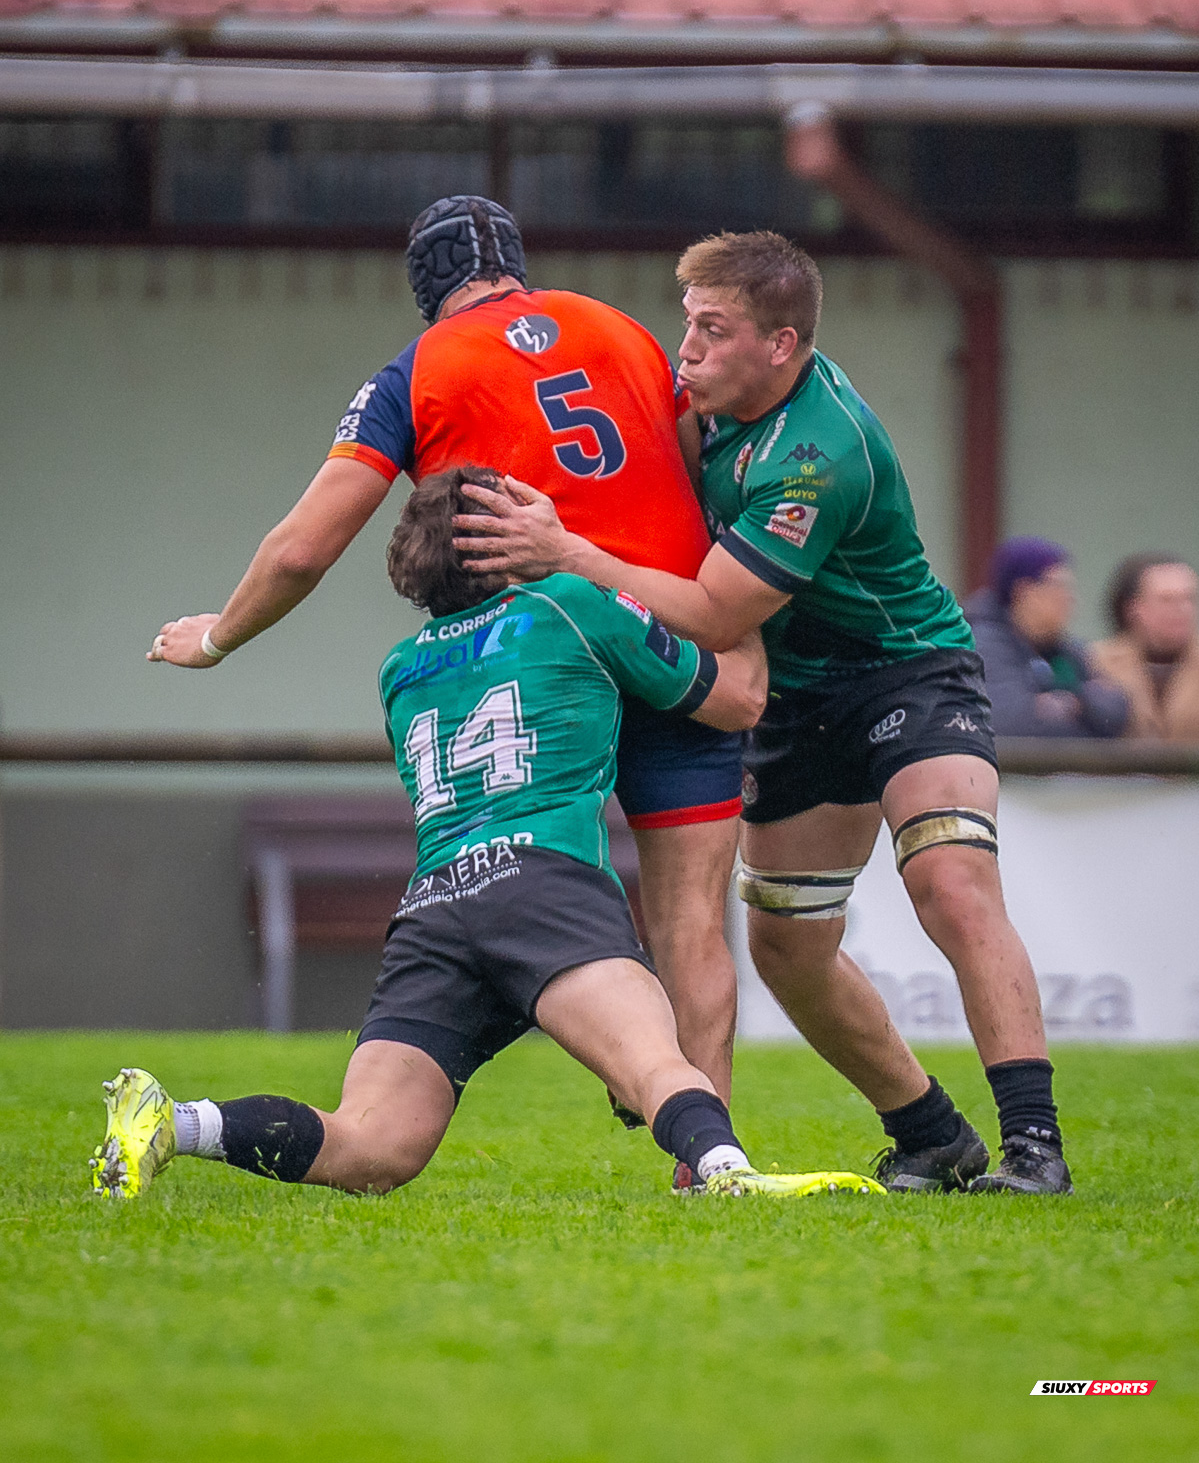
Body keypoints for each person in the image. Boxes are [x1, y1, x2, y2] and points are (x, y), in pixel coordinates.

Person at [456, 231, 1073, 1195]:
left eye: (713, 328)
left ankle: (1035, 1149)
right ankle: (930, 1134)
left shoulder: (817, 453)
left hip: (905, 673)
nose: (686, 348)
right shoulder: (700, 398)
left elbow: (713, 611)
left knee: (950, 883)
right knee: (787, 945)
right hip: (794, 703)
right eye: (687, 322)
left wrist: (563, 551)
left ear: (779, 345)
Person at [97, 468, 883, 1206]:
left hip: (436, 906)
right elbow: (737, 701)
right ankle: (727, 1173)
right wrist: (739, 611)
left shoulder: (399, 669)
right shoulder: (571, 603)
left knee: (372, 1147)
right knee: (653, 1064)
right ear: (501, 538)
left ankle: (176, 1120)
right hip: (543, 886)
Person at [148, 197, 744, 1104]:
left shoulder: (418, 369)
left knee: (523, 871)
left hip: (540, 657)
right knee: (692, 920)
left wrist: (219, 635)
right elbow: (702, 470)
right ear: (517, 262)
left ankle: (581, 1051)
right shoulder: (622, 329)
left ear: (426, 291)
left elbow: (307, 546)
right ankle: (703, 1149)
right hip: (668, 632)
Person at [965, 538, 1129, 738]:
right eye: (1059, 587)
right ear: (1024, 591)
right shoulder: (982, 646)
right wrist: (1083, 713)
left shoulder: (1066, 650)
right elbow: (1009, 724)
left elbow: (1117, 710)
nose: (1071, 598)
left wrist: (1074, 703)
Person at [1089, 553, 1199, 743]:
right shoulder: (1096, 662)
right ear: (1133, 607)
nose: (1182, 609)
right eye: (1167, 600)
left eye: (1188, 599)